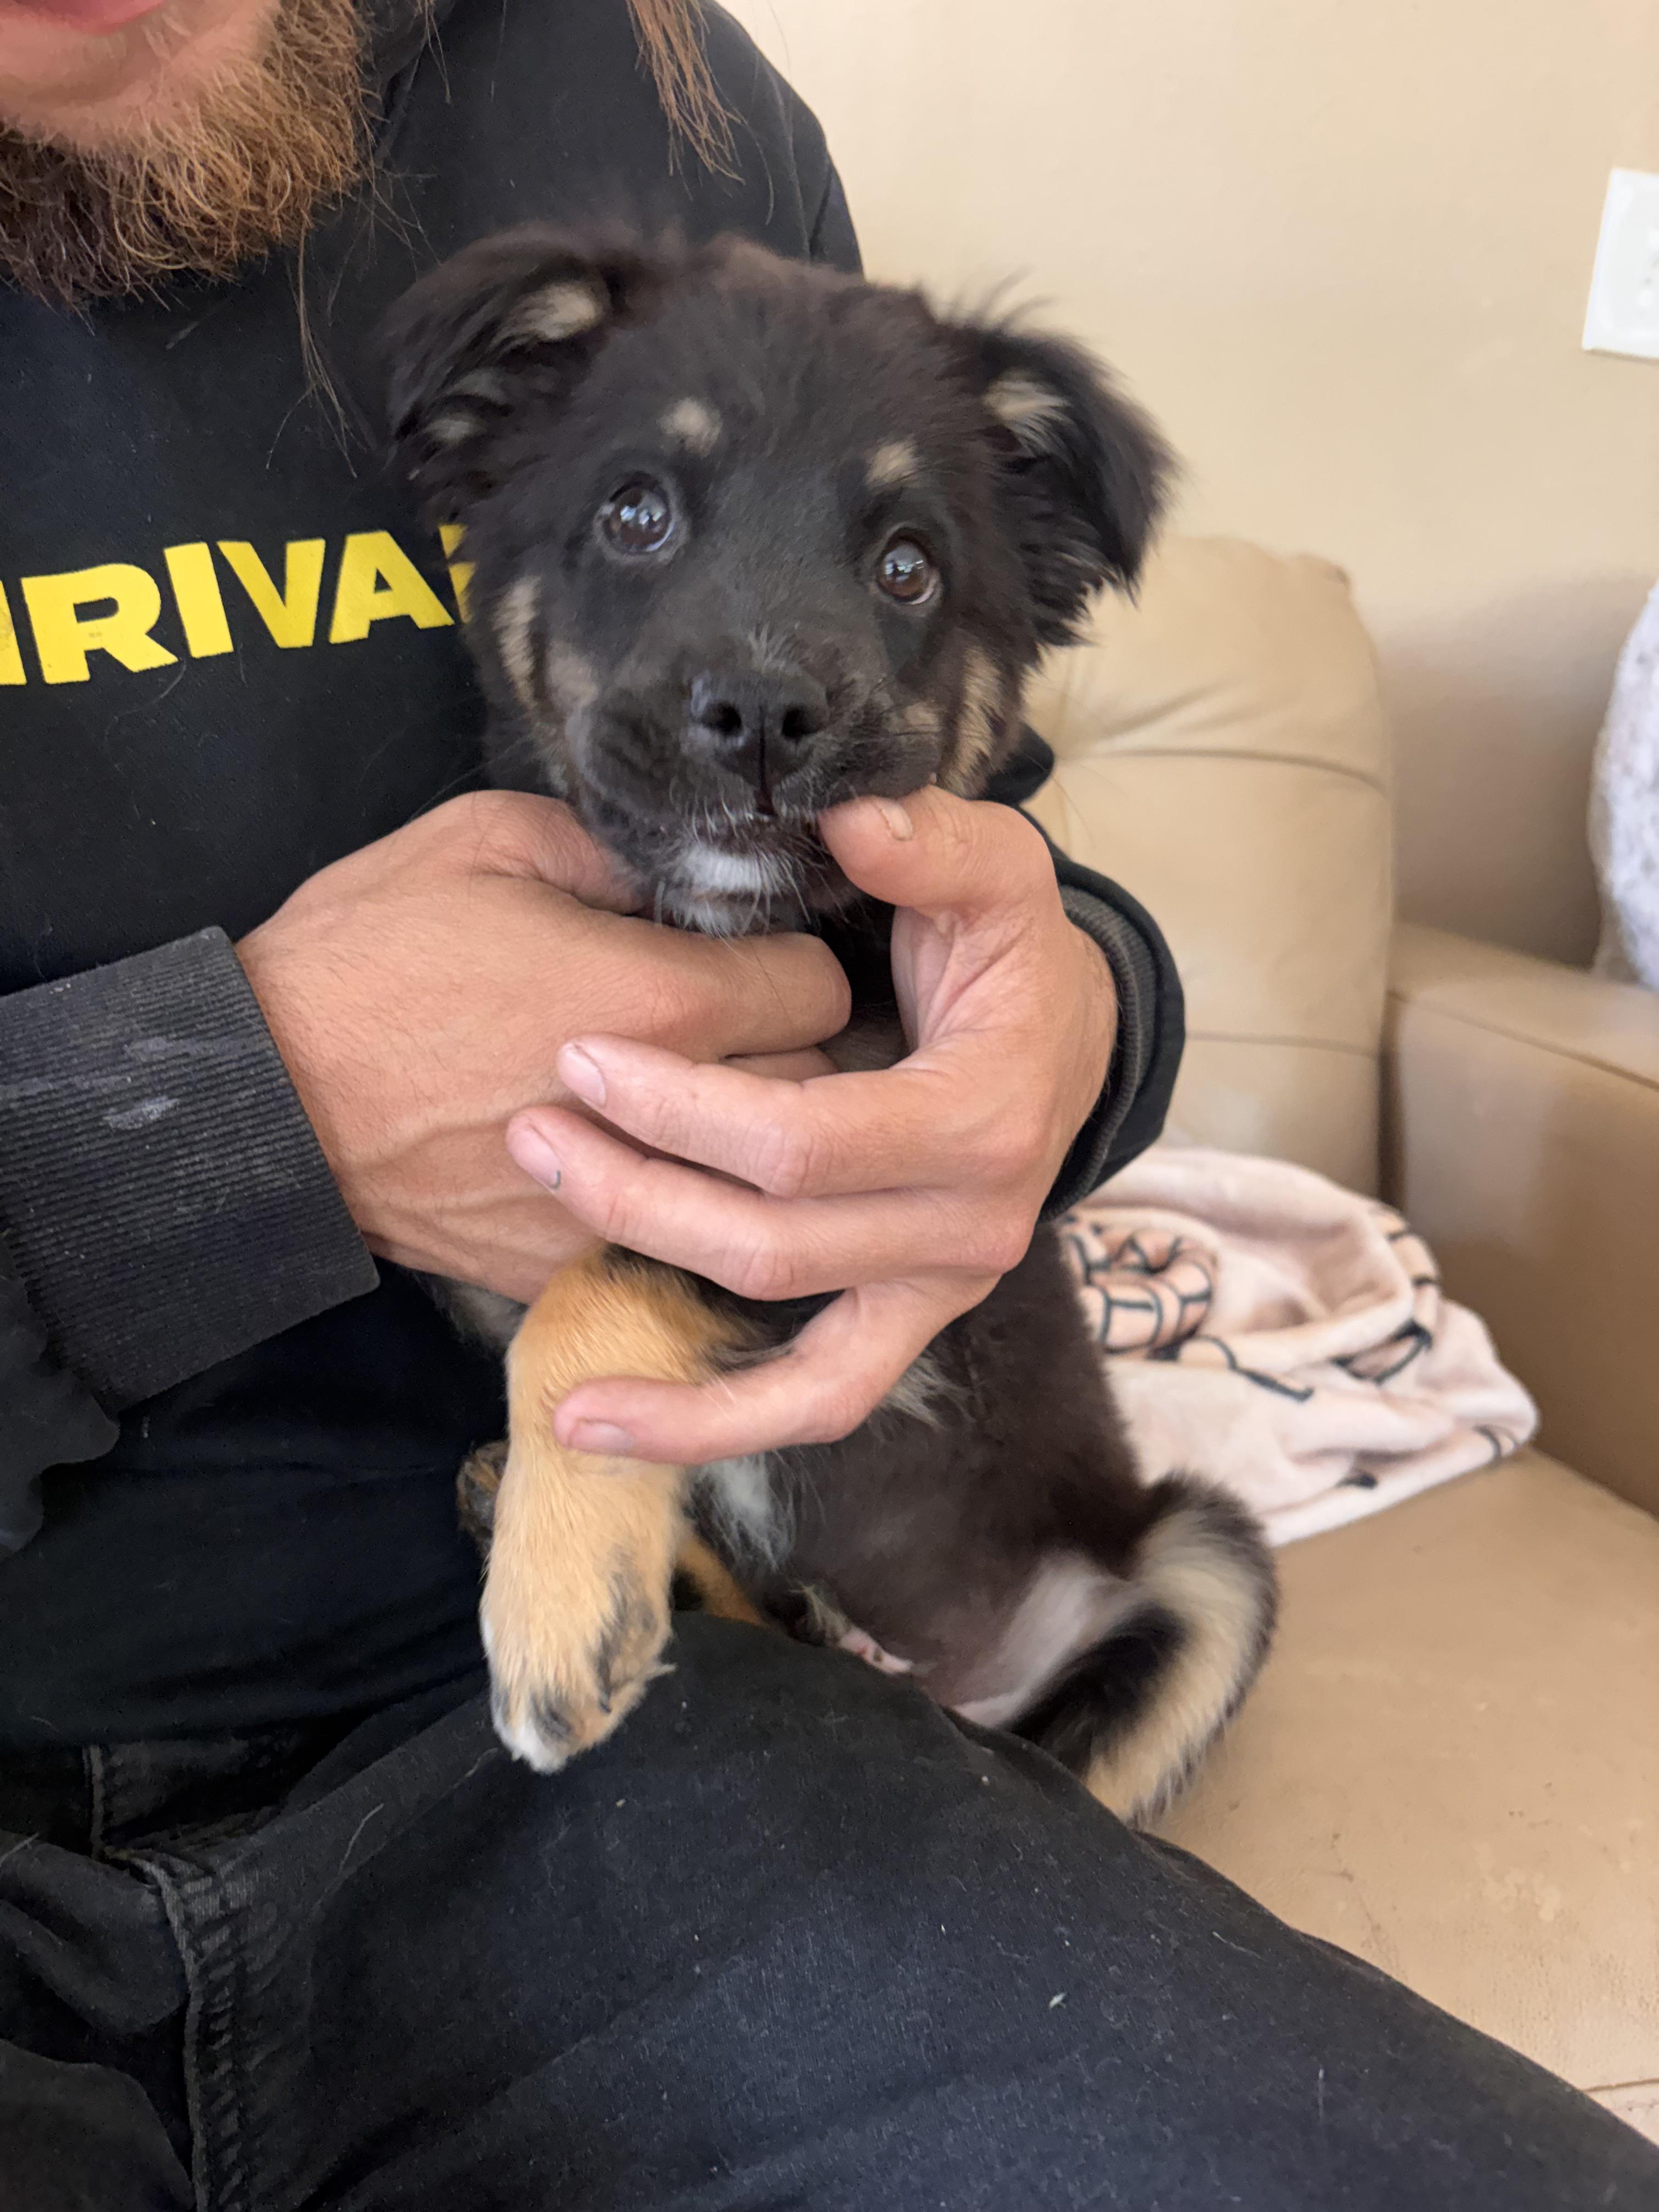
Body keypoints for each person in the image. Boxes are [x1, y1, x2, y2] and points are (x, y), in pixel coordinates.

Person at [0, 2, 1651, 2205]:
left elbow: (983, 868)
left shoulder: (655, 95)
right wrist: (230, 1110)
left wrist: (1084, 1030)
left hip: (649, 1722)